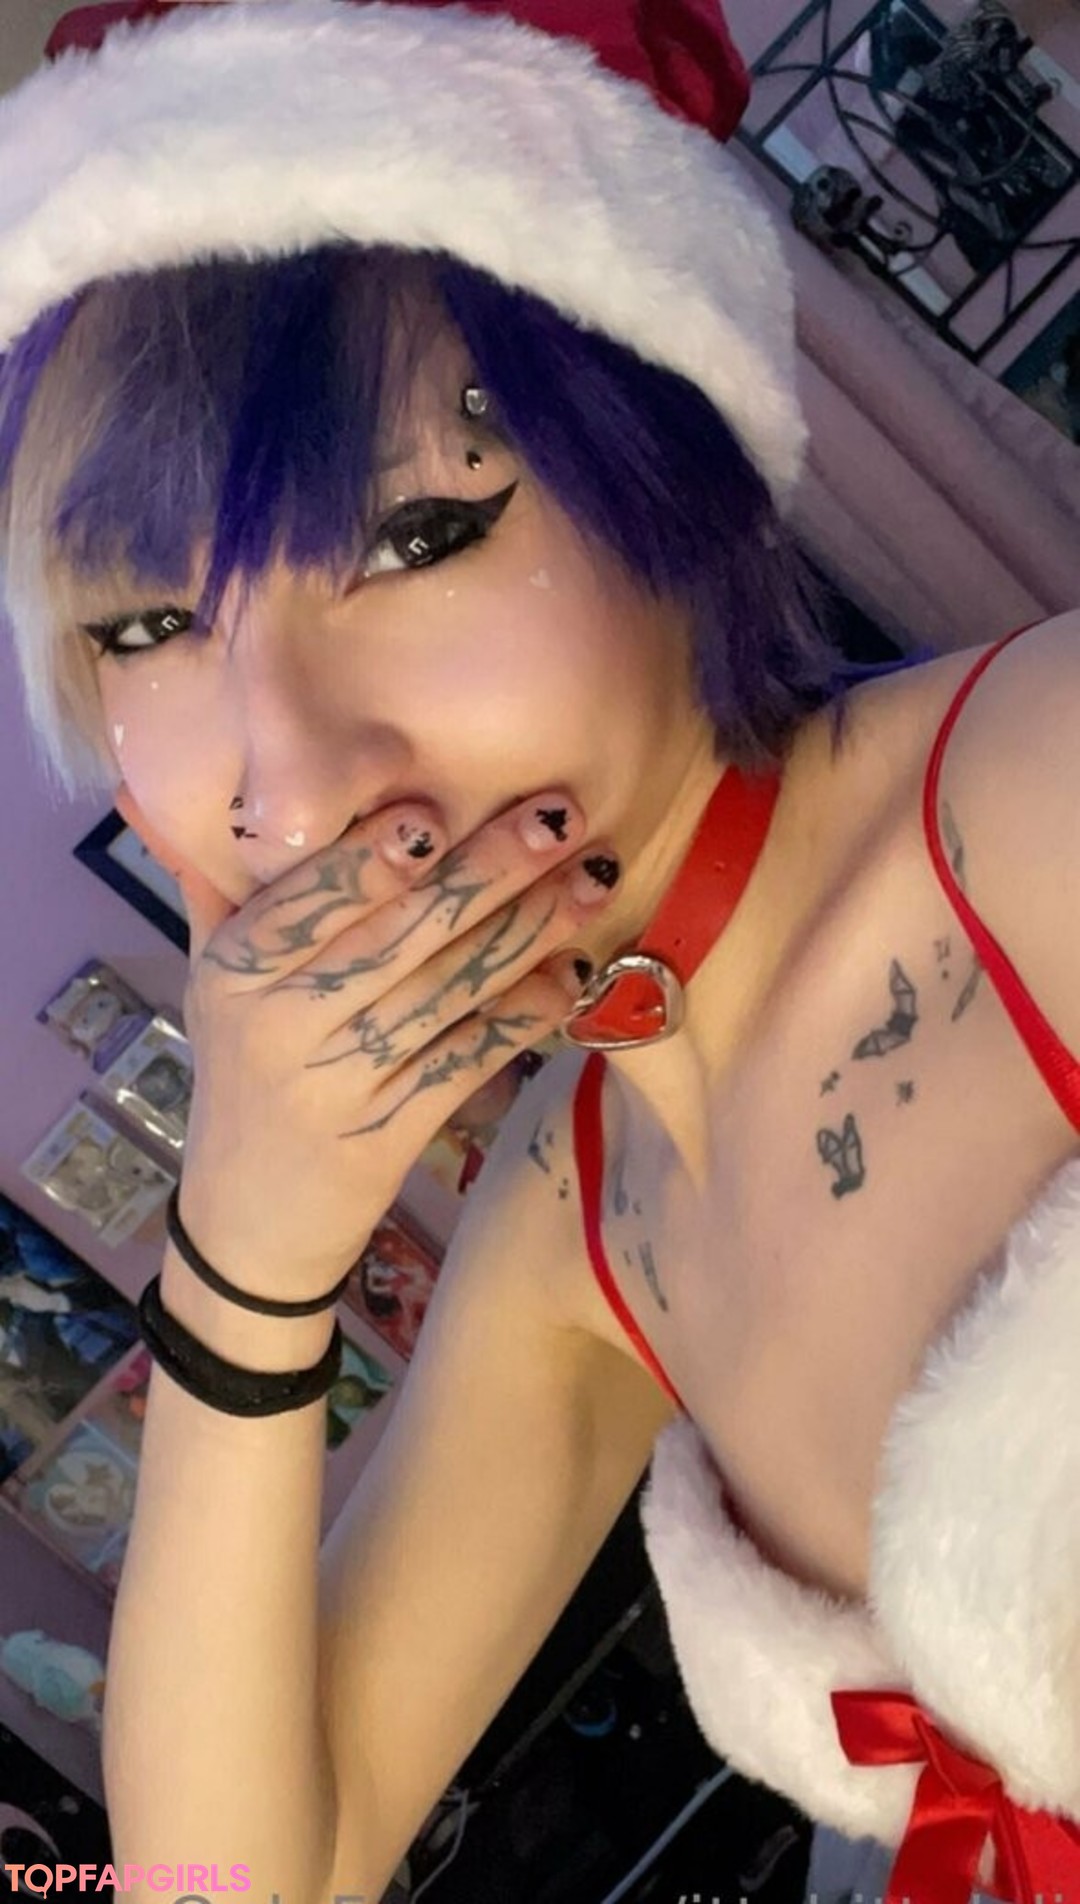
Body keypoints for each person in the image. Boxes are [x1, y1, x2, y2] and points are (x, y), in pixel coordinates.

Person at [1, 4, 1079, 1902]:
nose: (292, 783)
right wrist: (245, 1250)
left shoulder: (1044, 793)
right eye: (147, 630)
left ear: (673, 469)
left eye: (419, 534)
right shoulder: (583, 1209)